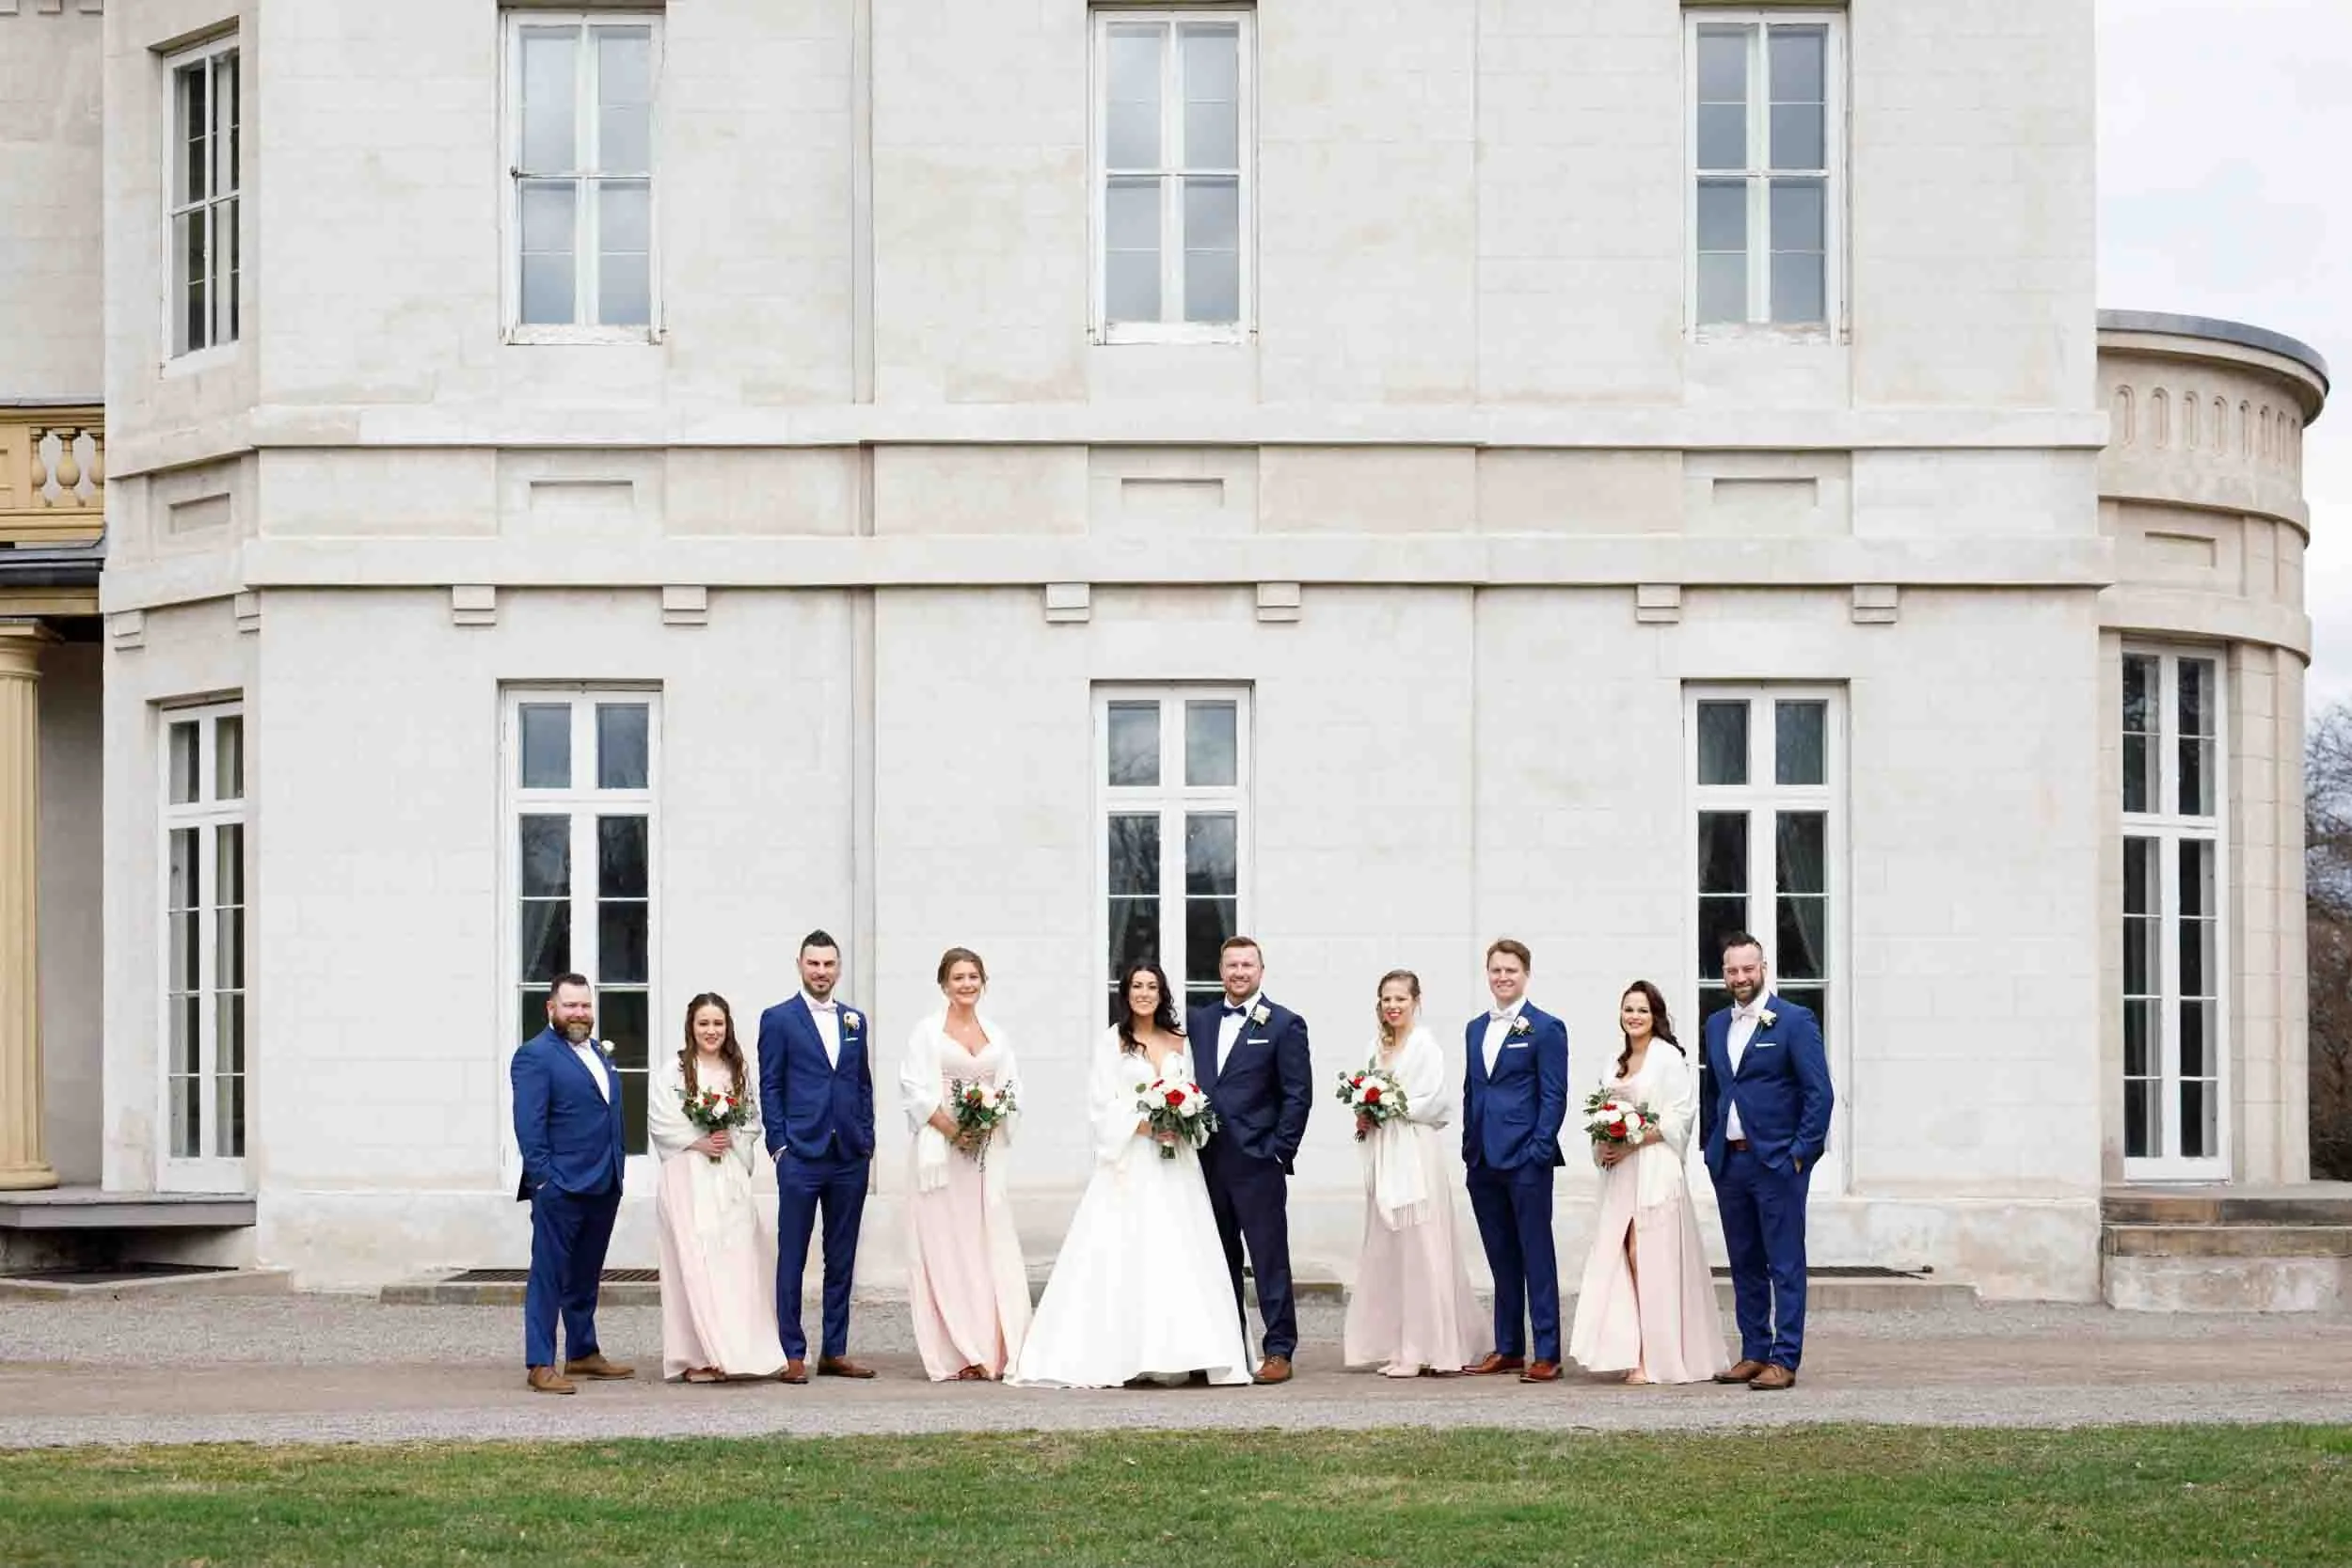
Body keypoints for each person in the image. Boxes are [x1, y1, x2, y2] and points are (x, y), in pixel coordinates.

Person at [1009, 962, 1251, 1388]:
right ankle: (1125, 1352)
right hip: (1132, 1157)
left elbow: (1195, 1092)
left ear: (1161, 994)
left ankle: (1187, 1350)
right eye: (1137, 986)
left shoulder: (1178, 1040)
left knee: (1180, 1248)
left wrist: (1183, 1120)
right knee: (1129, 1246)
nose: (1144, 993)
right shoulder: (1113, 1042)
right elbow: (1101, 1103)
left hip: (1176, 1162)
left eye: (1151, 986)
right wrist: (1145, 1126)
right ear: (1126, 993)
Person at [1566, 981, 1729, 1385]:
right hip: (1620, 1174)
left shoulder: (1668, 1058)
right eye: (1628, 1009)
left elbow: (1680, 1117)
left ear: (1655, 1016)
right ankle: (1625, 1348)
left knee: (1648, 1256)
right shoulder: (1614, 1062)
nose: (1634, 1016)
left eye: (1642, 1010)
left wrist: (1633, 1141)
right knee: (1619, 1256)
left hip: (1655, 1167)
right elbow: (1602, 1112)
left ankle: (1652, 1356)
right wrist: (1605, 1143)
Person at [1340, 971, 1492, 1378]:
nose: (1393, 1006)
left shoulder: (1425, 1046)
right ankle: (1397, 1343)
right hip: (1384, 1150)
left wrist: (1391, 1104)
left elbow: (1435, 1103)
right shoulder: (1375, 1047)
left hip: (1415, 1153)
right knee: (1391, 1251)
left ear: (1415, 1001)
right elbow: (1367, 1094)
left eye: (1400, 999)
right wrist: (1366, 1113)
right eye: (1386, 999)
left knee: (1422, 1248)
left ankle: (1424, 1347)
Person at [1699, 932, 1834, 1391]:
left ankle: (1785, 1357)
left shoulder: (1794, 1021)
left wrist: (1800, 1155)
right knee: (1744, 1262)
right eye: (1732, 970)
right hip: (1731, 1164)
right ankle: (1754, 1350)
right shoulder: (1716, 1024)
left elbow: (1819, 1093)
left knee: (1785, 1264)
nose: (1740, 977)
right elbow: (1714, 1091)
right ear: (1723, 974)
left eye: (1747, 968)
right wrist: (1711, 1149)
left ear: (1763, 969)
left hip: (1778, 1164)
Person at [899, 946, 1032, 1382]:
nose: (966, 984)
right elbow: (914, 1090)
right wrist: (953, 1130)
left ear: (983, 982)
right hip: (940, 1156)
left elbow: (1011, 1088)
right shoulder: (926, 1032)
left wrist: (990, 1119)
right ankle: (958, 1350)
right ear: (944, 985)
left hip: (983, 1155)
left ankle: (991, 1346)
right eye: (958, 977)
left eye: (973, 976)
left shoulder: (997, 1034)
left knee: (984, 1247)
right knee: (945, 1249)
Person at [1188, 936, 1314, 1385]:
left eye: (1247, 965)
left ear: (1261, 970)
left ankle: (1279, 1349)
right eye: (1232, 965)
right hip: (1206, 1161)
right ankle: (1229, 1348)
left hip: (1259, 1161)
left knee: (1268, 1258)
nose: (1239, 972)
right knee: (1217, 1259)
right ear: (1220, 971)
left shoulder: (1285, 1024)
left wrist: (1279, 1150)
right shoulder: (1200, 1021)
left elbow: (1298, 1095)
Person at [648, 993, 788, 1383]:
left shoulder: (736, 1070)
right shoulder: (674, 1071)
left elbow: (751, 1121)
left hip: (728, 1174)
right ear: (691, 1027)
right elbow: (661, 1122)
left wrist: (729, 1136)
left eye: (718, 1024)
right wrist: (700, 1141)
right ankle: (697, 1356)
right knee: (694, 1262)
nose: (711, 1031)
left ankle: (740, 1350)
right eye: (704, 1024)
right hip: (688, 1174)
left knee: (737, 1261)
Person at [757, 929, 877, 1384]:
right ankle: (792, 1351)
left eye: (828, 964)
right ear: (800, 966)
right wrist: (779, 1145)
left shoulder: (854, 1021)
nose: (821, 972)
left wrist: (866, 1140)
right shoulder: (778, 1019)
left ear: (838, 968)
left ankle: (835, 1350)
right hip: (801, 1155)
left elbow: (861, 1083)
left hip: (849, 1154)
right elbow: (770, 1085)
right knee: (792, 1254)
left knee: (841, 1257)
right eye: (814, 964)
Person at [510, 973, 635, 1395]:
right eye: (571, 1006)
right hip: (560, 1186)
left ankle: (582, 1351)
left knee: (586, 1273)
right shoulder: (534, 1056)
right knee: (548, 1275)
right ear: (551, 1008)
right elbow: (529, 1126)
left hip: (604, 1180)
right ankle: (540, 1362)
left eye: (585, 1005)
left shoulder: (597, 1051)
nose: (579, 1013)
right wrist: (545, 1180)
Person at [1460, 938, 1569, 1383]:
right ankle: (1508, 1348)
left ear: (1526, 974)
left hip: (1526, 1159)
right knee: (1500, 1257)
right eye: (1496, 970)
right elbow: (1472, 1090)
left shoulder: (1546, 1028)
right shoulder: (1474, 1029)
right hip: (1483, 1160)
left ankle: (1548, 1352)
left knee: (1536, 1255)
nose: (1502, 977)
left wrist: (1538, 1150)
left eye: (1511, 970)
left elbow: (1554, 1095)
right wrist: (1469, 1146)